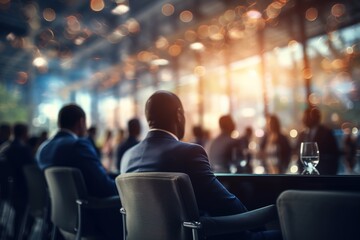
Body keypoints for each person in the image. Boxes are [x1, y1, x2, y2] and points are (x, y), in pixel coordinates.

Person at [120, 90, 282, 240]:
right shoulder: (188, 152)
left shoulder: (128, 157)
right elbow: (225, 204)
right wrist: (261, 219)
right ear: (179, 115)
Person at [36, 103, 122, 240]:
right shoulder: (77, 145)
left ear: (59, 122)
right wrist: (128, 189)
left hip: (60, 219)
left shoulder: (44, 149)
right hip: (89, 219)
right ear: (82, 122)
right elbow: (104, 187)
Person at [1, 123, 35, 239]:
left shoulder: (5, 148)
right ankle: (23, 234)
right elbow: (33, 170)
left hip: (6, 190)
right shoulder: (23, 149)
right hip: (21, 191)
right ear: (25, 133)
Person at [296, 107, 340, 175]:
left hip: (323, 175)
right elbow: (298, 153)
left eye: (307, 117)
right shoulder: (302, 134)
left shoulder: (327, 133)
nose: (303, 119)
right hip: (305, 175)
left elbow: (334, 154)